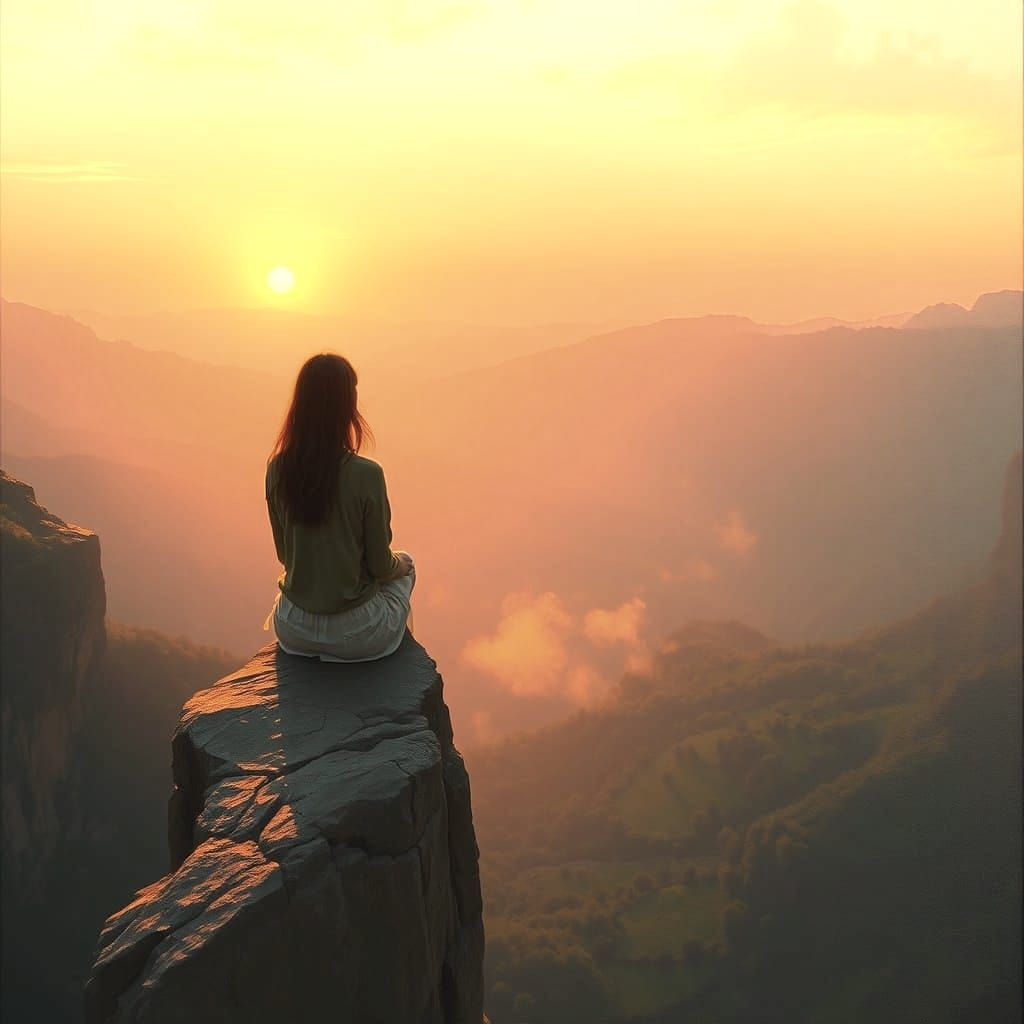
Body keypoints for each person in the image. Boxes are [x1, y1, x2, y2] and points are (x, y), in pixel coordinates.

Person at [262, 352, 415, 662]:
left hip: (294, 628)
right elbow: (381, 567)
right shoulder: (367, 474)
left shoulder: (278, 468)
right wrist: (403, 564)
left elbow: (285, 555)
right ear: (347, 406)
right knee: (406, 567)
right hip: (357, 633)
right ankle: (400, 676)